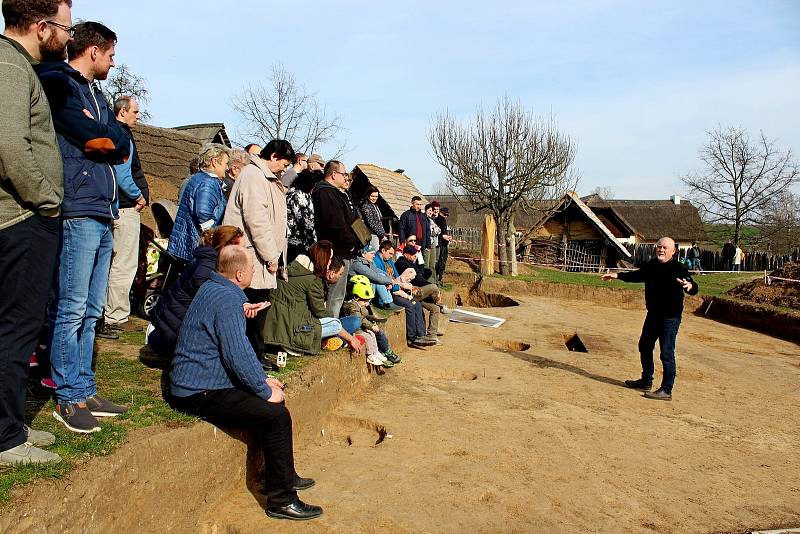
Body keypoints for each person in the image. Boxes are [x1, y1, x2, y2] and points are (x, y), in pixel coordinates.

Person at [168, 245, 322, 521]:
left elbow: (232, 347)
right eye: (252, 268)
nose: (255, 272)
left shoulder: (216, 289)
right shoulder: (227, 300)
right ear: (239, 274)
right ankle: (281, 500)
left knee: (275, 403)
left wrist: (262, 380)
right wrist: (262, 389)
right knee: (276, 415)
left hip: (201, 380)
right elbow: (236, 353)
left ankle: (281, 476)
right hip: (198, 389)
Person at [39, 21, 132, 433]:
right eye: (111, 54)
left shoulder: (96, 93)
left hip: (102, 208)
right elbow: (93, 136)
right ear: (93, 51)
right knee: (72, 307)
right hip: (77, 208)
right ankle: (67, 395)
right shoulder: (61, 84)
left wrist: (112, 134)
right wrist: (108, 135)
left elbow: (120, 142)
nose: (113, 63)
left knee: (93, 309)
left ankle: (85, 385)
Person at [0, 0, 72, 465]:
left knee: (16, 327)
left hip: (24, 217)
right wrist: (46, 200)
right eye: (67, 27)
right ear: (43, 27)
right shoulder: (9, 64)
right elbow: (9, 144)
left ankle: (11, 422)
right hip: (23, 219)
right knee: (15, 328)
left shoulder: (16, 65)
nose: (70, 37)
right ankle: (5, 437)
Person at [601, 237, 698, 401]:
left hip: (670, 318)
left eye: (665, 247)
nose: (661, 249)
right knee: (644, 346)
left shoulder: (678, 268)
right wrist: (617, 276)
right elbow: (638, 275)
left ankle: (666, 389)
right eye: (659, 246)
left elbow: (691, 285)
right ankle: (646, 381)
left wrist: (690, 287)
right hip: (653, 314)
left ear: (673, 251)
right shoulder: (652, 265)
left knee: (666, 353)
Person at [223, 140, 293, 357]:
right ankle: (250, 355)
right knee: (252, 309)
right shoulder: (254, 177)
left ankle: (255, 354)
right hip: (252, 255)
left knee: (259, 308)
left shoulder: (266, 178)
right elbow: (257, 220)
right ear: (273, 156)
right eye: (284, 164)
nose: (285, 169)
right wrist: (271, 255)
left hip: (258, 255)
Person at [147, 226, 254, 359]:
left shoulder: (210, 263)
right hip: (169, 336)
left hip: (169, 328)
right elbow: (214, 307)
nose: (243, 252)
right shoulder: (207, 270)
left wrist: (242, 306)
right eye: (241, 248)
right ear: (227, 247)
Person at [98, 96, 149, 339]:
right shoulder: (122, 136)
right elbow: (122, 174)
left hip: (114, 206)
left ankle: (103, 313)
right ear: (122, 112)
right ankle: (115, 316)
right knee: (123, 264)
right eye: (135, 111)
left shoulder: (113, 132)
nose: (138, 116)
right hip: (125, 208)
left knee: (109, 262)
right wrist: (139, 197)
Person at [263, 241, 362, 355]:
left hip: (276, 330)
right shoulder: (312, 280)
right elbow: (320, 313)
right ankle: (333, 341)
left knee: (340, 324)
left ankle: (332, 340)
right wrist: (351, 338)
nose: (330, 262)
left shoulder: (293, 269)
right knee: (342, 323)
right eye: (329, 258)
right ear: (323, 258)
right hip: (293, 333)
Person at [311, 160, 360, 317]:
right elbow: (336, 223)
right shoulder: (326, 192)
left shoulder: (334, 192)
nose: (346, 177)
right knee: (334, 295)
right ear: (333, 174)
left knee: (338, 294)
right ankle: (331, 333)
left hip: (340, 249)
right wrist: (350, 243)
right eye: (343, 174)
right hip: (336, 250)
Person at [168, 143, 230, 262]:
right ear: (215, 162)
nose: (227, 168)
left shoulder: (199, 178)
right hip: (193, 246)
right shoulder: (208, 183)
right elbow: (203, 214)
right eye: (226, 163)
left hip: (184, 244)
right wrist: (213, 241)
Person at [373, 241, 436, 348]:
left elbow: (397, 278)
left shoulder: (389, 261)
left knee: (416, 303)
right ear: (383, 250)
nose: (391, 256)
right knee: (410, 305)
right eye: (390, 253)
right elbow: (383, 280)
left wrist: (399, 286)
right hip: (389, 294)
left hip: (396, 289)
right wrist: (397, 286)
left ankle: (420, 335)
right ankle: (412, 338)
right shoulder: (377, 262)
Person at [341, 276, 401, 367]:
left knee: (372, 334)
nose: (366, 304)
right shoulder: (352, 306)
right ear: (357, 298)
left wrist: (371, 322)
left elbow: (364, 315)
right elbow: (359, 318)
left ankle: (375, 352)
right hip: (356, 330)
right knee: (368, 337)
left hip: (361, 327)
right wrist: (371, 326)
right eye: (365, 301)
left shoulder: (359, 305)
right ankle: (370, 355)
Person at [395, 244, 447, 341]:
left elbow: (422, 272)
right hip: (410, 292)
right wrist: (434, 293)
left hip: (416, 291)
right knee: (434, 287)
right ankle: (438, 302)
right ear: (406, 255)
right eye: (414, 255)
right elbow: (418, 279)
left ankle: (432, 335)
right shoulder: (402, 263)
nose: (416, 257)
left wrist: (419, 267)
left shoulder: (410, 262)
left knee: (435, 309)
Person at [349, 244, 401, 311]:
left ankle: (388, 302)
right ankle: (387, 302)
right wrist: (389, 281)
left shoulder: (368, 263)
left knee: (381, 276)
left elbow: (380, 271)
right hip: (355, 292)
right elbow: (375, 277)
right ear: (363, 254)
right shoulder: (358, 264)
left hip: (365, 291)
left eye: (374, 254)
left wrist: (390, 280)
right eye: (371, 254)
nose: (374, 256)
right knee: (376, 279)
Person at [285, 168, 320, 264]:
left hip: (297, 238)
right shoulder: (298, 195)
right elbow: (304, 220)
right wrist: (313, 241)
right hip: (296, 239)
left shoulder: (297, 193)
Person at [398, 196, 431, 267]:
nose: (419, 206)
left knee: (421, 263)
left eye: (420, 204)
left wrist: (428, 244)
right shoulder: (405, 215)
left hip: (422, 243)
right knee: (411, 263)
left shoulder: (423, 216)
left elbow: (428, 231)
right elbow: (401, 229)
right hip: (411, 243)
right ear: (412, 204)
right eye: (417, 204)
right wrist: (402, 243)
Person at [434, 205, 451, 283]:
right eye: (445, 214)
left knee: (443, 261)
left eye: (447, 215)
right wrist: (443, 236)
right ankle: (438, 278)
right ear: (441, 213)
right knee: (439, 261)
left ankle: (440, 278)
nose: (446, 216)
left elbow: (443, 232)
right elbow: (437, 233)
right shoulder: (438, 220)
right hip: (439, 244)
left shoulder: (443, 220)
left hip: (444, 244)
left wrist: (447, 237)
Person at [425, 203, 441, 284]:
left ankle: (432, 282)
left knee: (432, 264)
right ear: (426, 210)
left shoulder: (431, 220)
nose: (431, 212)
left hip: (433, 243)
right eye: (430, 210)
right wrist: (433, 231)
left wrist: (433, 231)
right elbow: (428, 231)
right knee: (426, 264)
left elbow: (438, 230)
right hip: (426, 244)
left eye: (432, 211)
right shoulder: (423, 219)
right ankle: (426, 282)